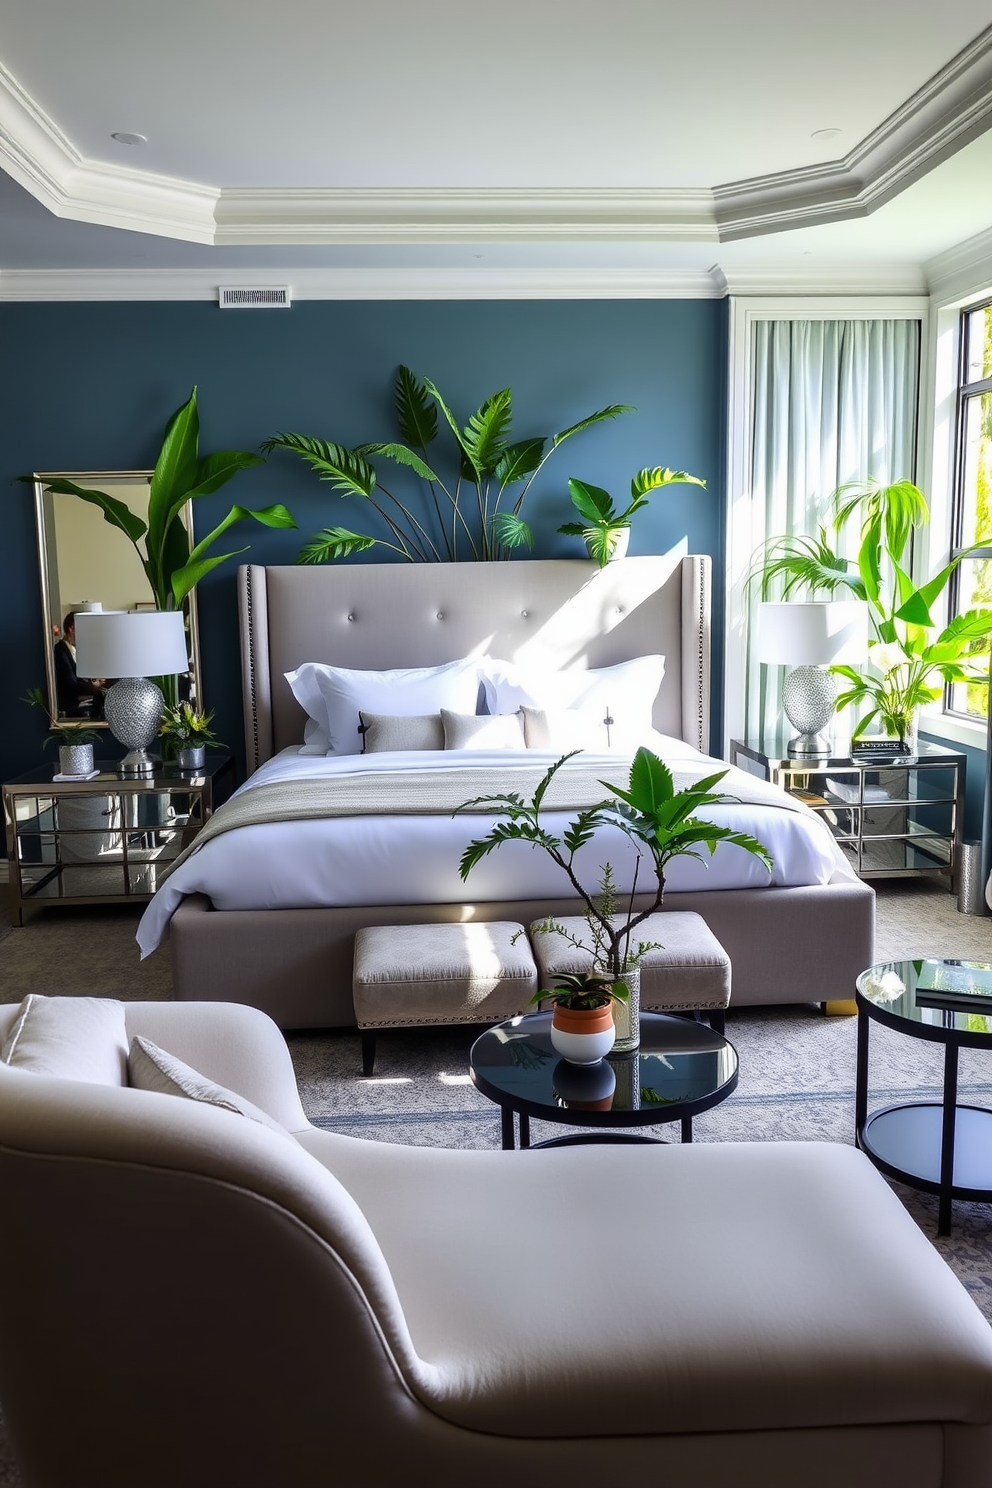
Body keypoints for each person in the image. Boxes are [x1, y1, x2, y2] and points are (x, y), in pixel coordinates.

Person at [54, 612, 105, 718]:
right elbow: (71, 684)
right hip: (72, 706)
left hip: (80, 700)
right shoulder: (60, 650)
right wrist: (94, 686)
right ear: (72, 628)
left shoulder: (76, 650)